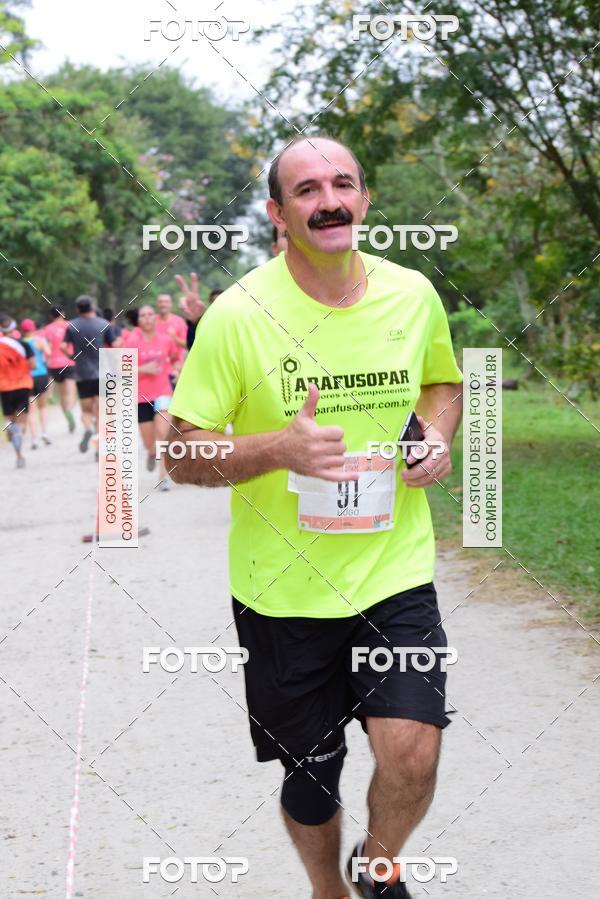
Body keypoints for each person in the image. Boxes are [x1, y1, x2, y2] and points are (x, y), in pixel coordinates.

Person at [168, 135, 463, 899]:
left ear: (363, 200)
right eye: (306, 189)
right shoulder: (238, 315)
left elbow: (442, 382)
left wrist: (435, 434)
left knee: (415, 751)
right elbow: (177, 453)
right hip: (281, 591)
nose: (328, 199)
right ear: (279, 213)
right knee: (312, 775)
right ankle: (326, 888)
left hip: (392, 571)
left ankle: (377, 865)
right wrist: (276, 447)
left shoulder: (411, 293)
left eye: (342, 183)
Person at [127, 304, 179, 489]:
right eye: (143, 315)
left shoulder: (166, 340)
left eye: (150, 314)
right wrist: (143, 369)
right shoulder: (132, 342)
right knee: (149, 441)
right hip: (141, 397)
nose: (147, 317)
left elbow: (175, 358)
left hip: (163, 392)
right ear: (138, 320)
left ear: (155, 318)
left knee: (164, 434)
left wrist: (177, 370)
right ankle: (151, 452)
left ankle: (163, 476)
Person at [61, 295, 113, 454]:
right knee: (100, 410)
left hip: (82, 373)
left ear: (77, 309)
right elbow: (116, 344)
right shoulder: (104, 324)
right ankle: (99, 446)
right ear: (92, 306)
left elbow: (63, 346)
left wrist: (71, 357)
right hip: (103, 372)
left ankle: (87, 429)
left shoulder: (72, 326)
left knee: (86, 410)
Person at [0, 312, 36, 468]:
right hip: (23, 385)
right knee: (22, 421)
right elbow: (33, 365)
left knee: (11, 420)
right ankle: (19, 431)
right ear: (13, 326)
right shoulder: (24, 345)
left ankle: (19, 455)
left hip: (5, 387)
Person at [42, 306, 77, 432]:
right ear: (63, 313)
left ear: (51, 316)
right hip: (69, 362)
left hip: (54, 365)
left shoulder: (47, 329)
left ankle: (66, 415)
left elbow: (47, 348)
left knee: (62, 394)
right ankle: (69, 411)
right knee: (70, 393)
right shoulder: (71, 325)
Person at [20, 319, 51, 448]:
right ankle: (45, 433)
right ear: (33, 328)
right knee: (43, 407)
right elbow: (48, 353)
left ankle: (34, 439)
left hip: (27, 376)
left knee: (31, 410)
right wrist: (44, 363)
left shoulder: (20, 343)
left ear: (22, 330)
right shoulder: (40, 340)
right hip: (42, 375)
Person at [154, 293, 188, 388]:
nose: (163, 304)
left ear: (171, 304)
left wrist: (174, 337)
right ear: (157, 304)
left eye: (166, 302)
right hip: (155, 370)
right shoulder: (151, 321)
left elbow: (187, 345)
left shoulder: (179, 321)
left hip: (175, 370)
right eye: (161, 302)